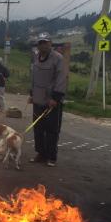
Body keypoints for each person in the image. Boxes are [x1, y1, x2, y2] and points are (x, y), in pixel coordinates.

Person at [28, 35, 67, 167]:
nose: (42, 45)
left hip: (51, 101)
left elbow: (61, 78)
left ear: (50, 43)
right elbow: (33, 76)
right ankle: (41, 154)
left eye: (45, 43)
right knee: (38, 128)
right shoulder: (35, 57)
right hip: (38, 99)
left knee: (52, 130)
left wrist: (56, 97)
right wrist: (32, 94)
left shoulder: (58, 58)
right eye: (40, 43)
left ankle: (51, 157)